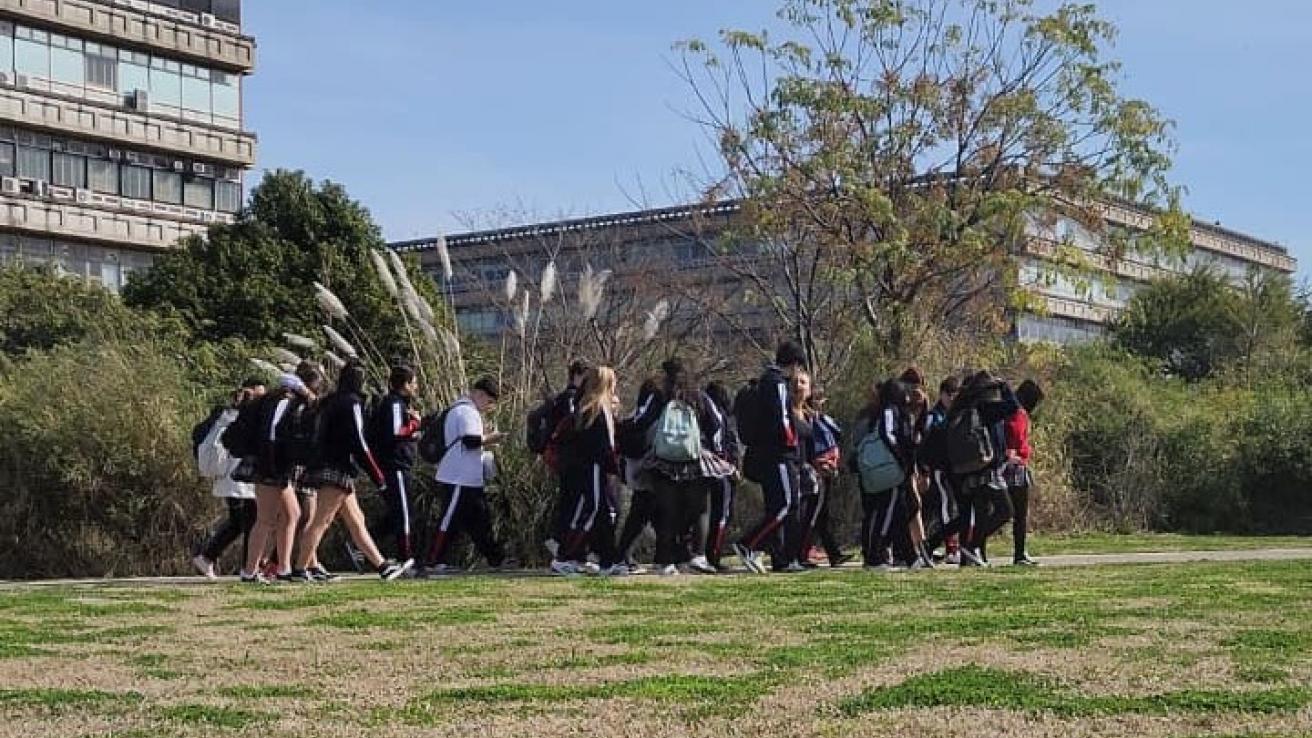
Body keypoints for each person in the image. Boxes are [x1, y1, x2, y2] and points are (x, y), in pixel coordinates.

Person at [294, 361, 412, 581]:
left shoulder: (331, 401)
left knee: (356, 518)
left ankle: (382, 566)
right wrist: (377, 475)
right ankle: (301, 568)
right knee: (322, 519)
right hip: (338, 467)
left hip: (327, 465)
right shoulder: (352, 403)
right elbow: (359, 442)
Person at [234, 364, 322, 584]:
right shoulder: (284, 403)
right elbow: (272, 435)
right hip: (271, 467)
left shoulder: (274, 401)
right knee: (264, 519)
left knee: (292, 514)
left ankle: (283, 568)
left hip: (275, 467)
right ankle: (250, 571)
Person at [643, 358, 731, 576]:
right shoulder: (698, 396)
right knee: (701, 508)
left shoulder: (659, 397)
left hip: (663, 460)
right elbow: (717, 423)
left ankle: (666, 560)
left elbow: (642, 420)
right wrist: (719, 453)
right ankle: (698, 555)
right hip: (694, 458)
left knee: (667, 511)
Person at [733, 340, 808, 574]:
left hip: (768, 453)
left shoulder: (768, 381)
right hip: (778, 453)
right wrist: (791, 441)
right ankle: (749, 544)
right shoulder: (776, 383)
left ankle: (777, 555)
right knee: (786, 503)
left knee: (779, 505)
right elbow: (782, 416)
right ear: (795, 364)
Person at [425, 377, 514, 574]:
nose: (489, 407)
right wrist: (493, 438)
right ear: (479, 394)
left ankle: (495, 558)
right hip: (457, 476)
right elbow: (470, 441)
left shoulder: (462, 410)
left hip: (469, 478)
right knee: (448, 519)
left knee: (480, 520)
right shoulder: (467, 411)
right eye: (489, 401)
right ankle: (433, 559)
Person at [552, 366, 626, 576]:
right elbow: (597, 445)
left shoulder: (594, 407)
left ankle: (607, 560)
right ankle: (565, 556)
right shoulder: (592, 410)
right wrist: (611, 462)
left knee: (605, 513)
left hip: (597, 467)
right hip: (592, 467)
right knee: (592, 510)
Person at [192, 379, 266, 579]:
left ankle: (208, 556)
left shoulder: (230, 415)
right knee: (251, 521)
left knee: (239, 522)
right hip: (237, 477)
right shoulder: (236, 417)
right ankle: (249, 567)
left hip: (233, 477)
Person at [950, 371, 1021, 567]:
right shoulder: (986, 408)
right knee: (1005, 510)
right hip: (987, 470)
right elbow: (1014, 406)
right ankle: (972, 547)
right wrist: (1005, 385)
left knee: (981, 514)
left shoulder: (971, 408)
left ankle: (974, 555)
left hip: (976, 470)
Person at [369, 365, 423, 563]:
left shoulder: (399, 403)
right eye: (414, 383)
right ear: (406, 384)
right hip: (395, 465)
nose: (416, 387)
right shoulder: (394, 403)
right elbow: (395, 432)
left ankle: (365, 542)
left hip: (399, 463)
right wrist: (415, 424)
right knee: (403, 512)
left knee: (399, 510)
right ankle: (406, 556)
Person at [543, 359, 591, 561]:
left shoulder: (564, 397)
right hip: (572, 459)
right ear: (578, 376)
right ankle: (561, 541)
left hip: (565, 459)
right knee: (572, 502)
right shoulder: (572, 398)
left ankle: (567, 543)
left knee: (569, 501)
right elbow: (575, 426)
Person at [797, 383, 848, 568]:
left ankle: (833, 552)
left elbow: (837, 434)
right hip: (818, 471)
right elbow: (813, 446)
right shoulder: (808, 420)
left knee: (821, 515)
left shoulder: (822, 419)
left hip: (827, 470)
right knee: (813, 514)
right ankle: (802, 553)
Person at [616, 376, 663, 573]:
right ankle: (622, 555)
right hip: (647, 467)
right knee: (643, 512)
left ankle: (624, 554)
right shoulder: (655, 413)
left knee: (646, 512)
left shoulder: (638, 413)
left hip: (633, 467)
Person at [921, 376, 964, 564]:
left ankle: (930, 545)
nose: (952, 400)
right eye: (949, 395)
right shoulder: (933, 417)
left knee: (943, 509)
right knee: (947, 508)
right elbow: (926, 443)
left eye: (955, 396)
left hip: (954, 469)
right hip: (938, 470)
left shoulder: (957, 414)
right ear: (942, 394)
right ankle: (951, 548)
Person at [1007, 379, 1045, 566]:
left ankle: (1020, 552)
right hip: (1016, 466)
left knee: (1013, 513)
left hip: (1010, 464)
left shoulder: (1008, 409)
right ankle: (1019, 553)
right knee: (1019, 514)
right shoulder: (1019, 413)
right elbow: (1016, 436)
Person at [703, 382, 740, 572]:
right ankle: (713, 554)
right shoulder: (714, 414)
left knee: (722, 513)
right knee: (721, 513)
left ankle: (713, 553)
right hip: (717, 468)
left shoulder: (722, 417)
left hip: (722, 467)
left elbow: (731, 442)